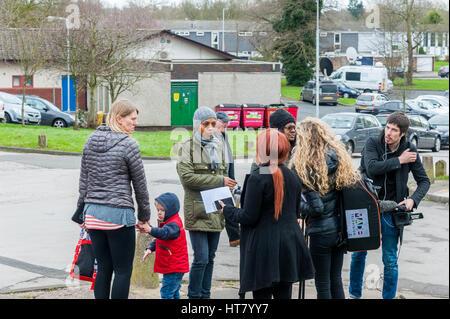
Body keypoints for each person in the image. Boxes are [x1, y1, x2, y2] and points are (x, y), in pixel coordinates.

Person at [219, 129, 315, 299]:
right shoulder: (292, 176)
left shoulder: (258, 177)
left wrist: (227, 210)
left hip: (263, 248)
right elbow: (293, 212)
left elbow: (249, 216)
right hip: (288, 245)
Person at [349, 111, 430, 299]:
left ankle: (388, 297)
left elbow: (424, 181)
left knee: (390, 260)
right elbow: (372, 167)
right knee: (358, 253)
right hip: (367, 207)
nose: (388, 133)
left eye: (394, 130)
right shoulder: (373, 143)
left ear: (402, 134)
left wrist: (413, 200)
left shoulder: (410, 150)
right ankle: (354, 295)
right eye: (387, 127)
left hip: (392, 211)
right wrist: (399, 161)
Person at [77, 99, 151, 299]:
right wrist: (144, 217)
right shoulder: (129, 145)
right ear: (119, 118)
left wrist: (81, 212)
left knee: (102, 268)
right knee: (123, 271)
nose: (135, 123)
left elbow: (83, 181)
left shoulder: (90, 140)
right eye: (132, 119)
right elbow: (140, 186)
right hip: (118, 216)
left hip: (92, 215)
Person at [290, 117, 360, 299]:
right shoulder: (337, 159)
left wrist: (296, 203)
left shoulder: (307, 167)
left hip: (321, 231)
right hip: (339, 229)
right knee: (335, 279)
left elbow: (317, 208)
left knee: (322, 283)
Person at [176, 106, 237, 299]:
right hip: (198, 209)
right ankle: (194, 297)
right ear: (197, 126)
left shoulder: (219, 145)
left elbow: (223, 173)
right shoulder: (187, 147)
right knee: (201, 258)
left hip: (216, 209)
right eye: (206, 124)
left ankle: (205, 294)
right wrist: (219, 181)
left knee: (210, 257)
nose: (211, 127)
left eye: (213, 123)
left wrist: (228, 185)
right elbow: (187, 178)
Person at [140, 192, 189, 299]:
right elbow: (161, 238)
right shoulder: (170, 222)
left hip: (174, 268)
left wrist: (150, 229)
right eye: (158, 210)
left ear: (171, 210)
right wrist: (150, 248)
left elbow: (164, 233)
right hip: (173, 267)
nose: (159, 213)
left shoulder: (174, 224)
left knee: (166, 293)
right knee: (174, 292)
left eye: (162, 210)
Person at [216, 111, 240, 247]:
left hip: (226, 180)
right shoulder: (211, 137)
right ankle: (235, 237)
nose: (224, 128)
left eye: (226, 125)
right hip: (218, 180)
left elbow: (230, 160)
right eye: (223, 125)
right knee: (226, 208)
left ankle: (235, 237)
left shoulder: (224, 136)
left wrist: (232, 179)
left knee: (228, 207)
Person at [250, 108, 296, 172]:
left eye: (294, 127)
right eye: (289, 128)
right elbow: (255, 175)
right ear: (278, 130)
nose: (293, 131)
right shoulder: (265, 150)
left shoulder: (297, 149)